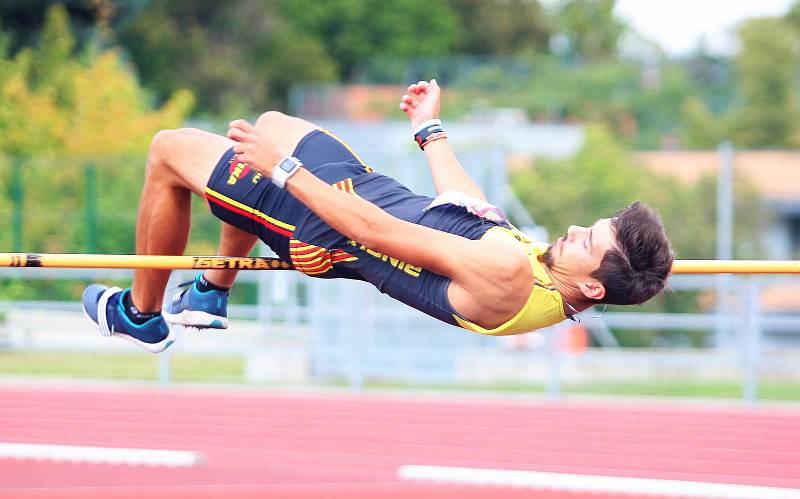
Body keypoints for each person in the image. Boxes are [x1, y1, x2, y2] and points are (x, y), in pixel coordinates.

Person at [82, 79, 674, 353]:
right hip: (359, 189)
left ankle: (143, 316)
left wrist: (283, 170)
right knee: (268, 122)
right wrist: (429, 131)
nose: (574, 230)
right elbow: (471, 210)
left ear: (593, 283)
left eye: (587, 241)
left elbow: (376, 233)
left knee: (167, 150)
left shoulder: (511, 277)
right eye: (588, 226)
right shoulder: (539, 274)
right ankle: (210, 293)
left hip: (322, 219)